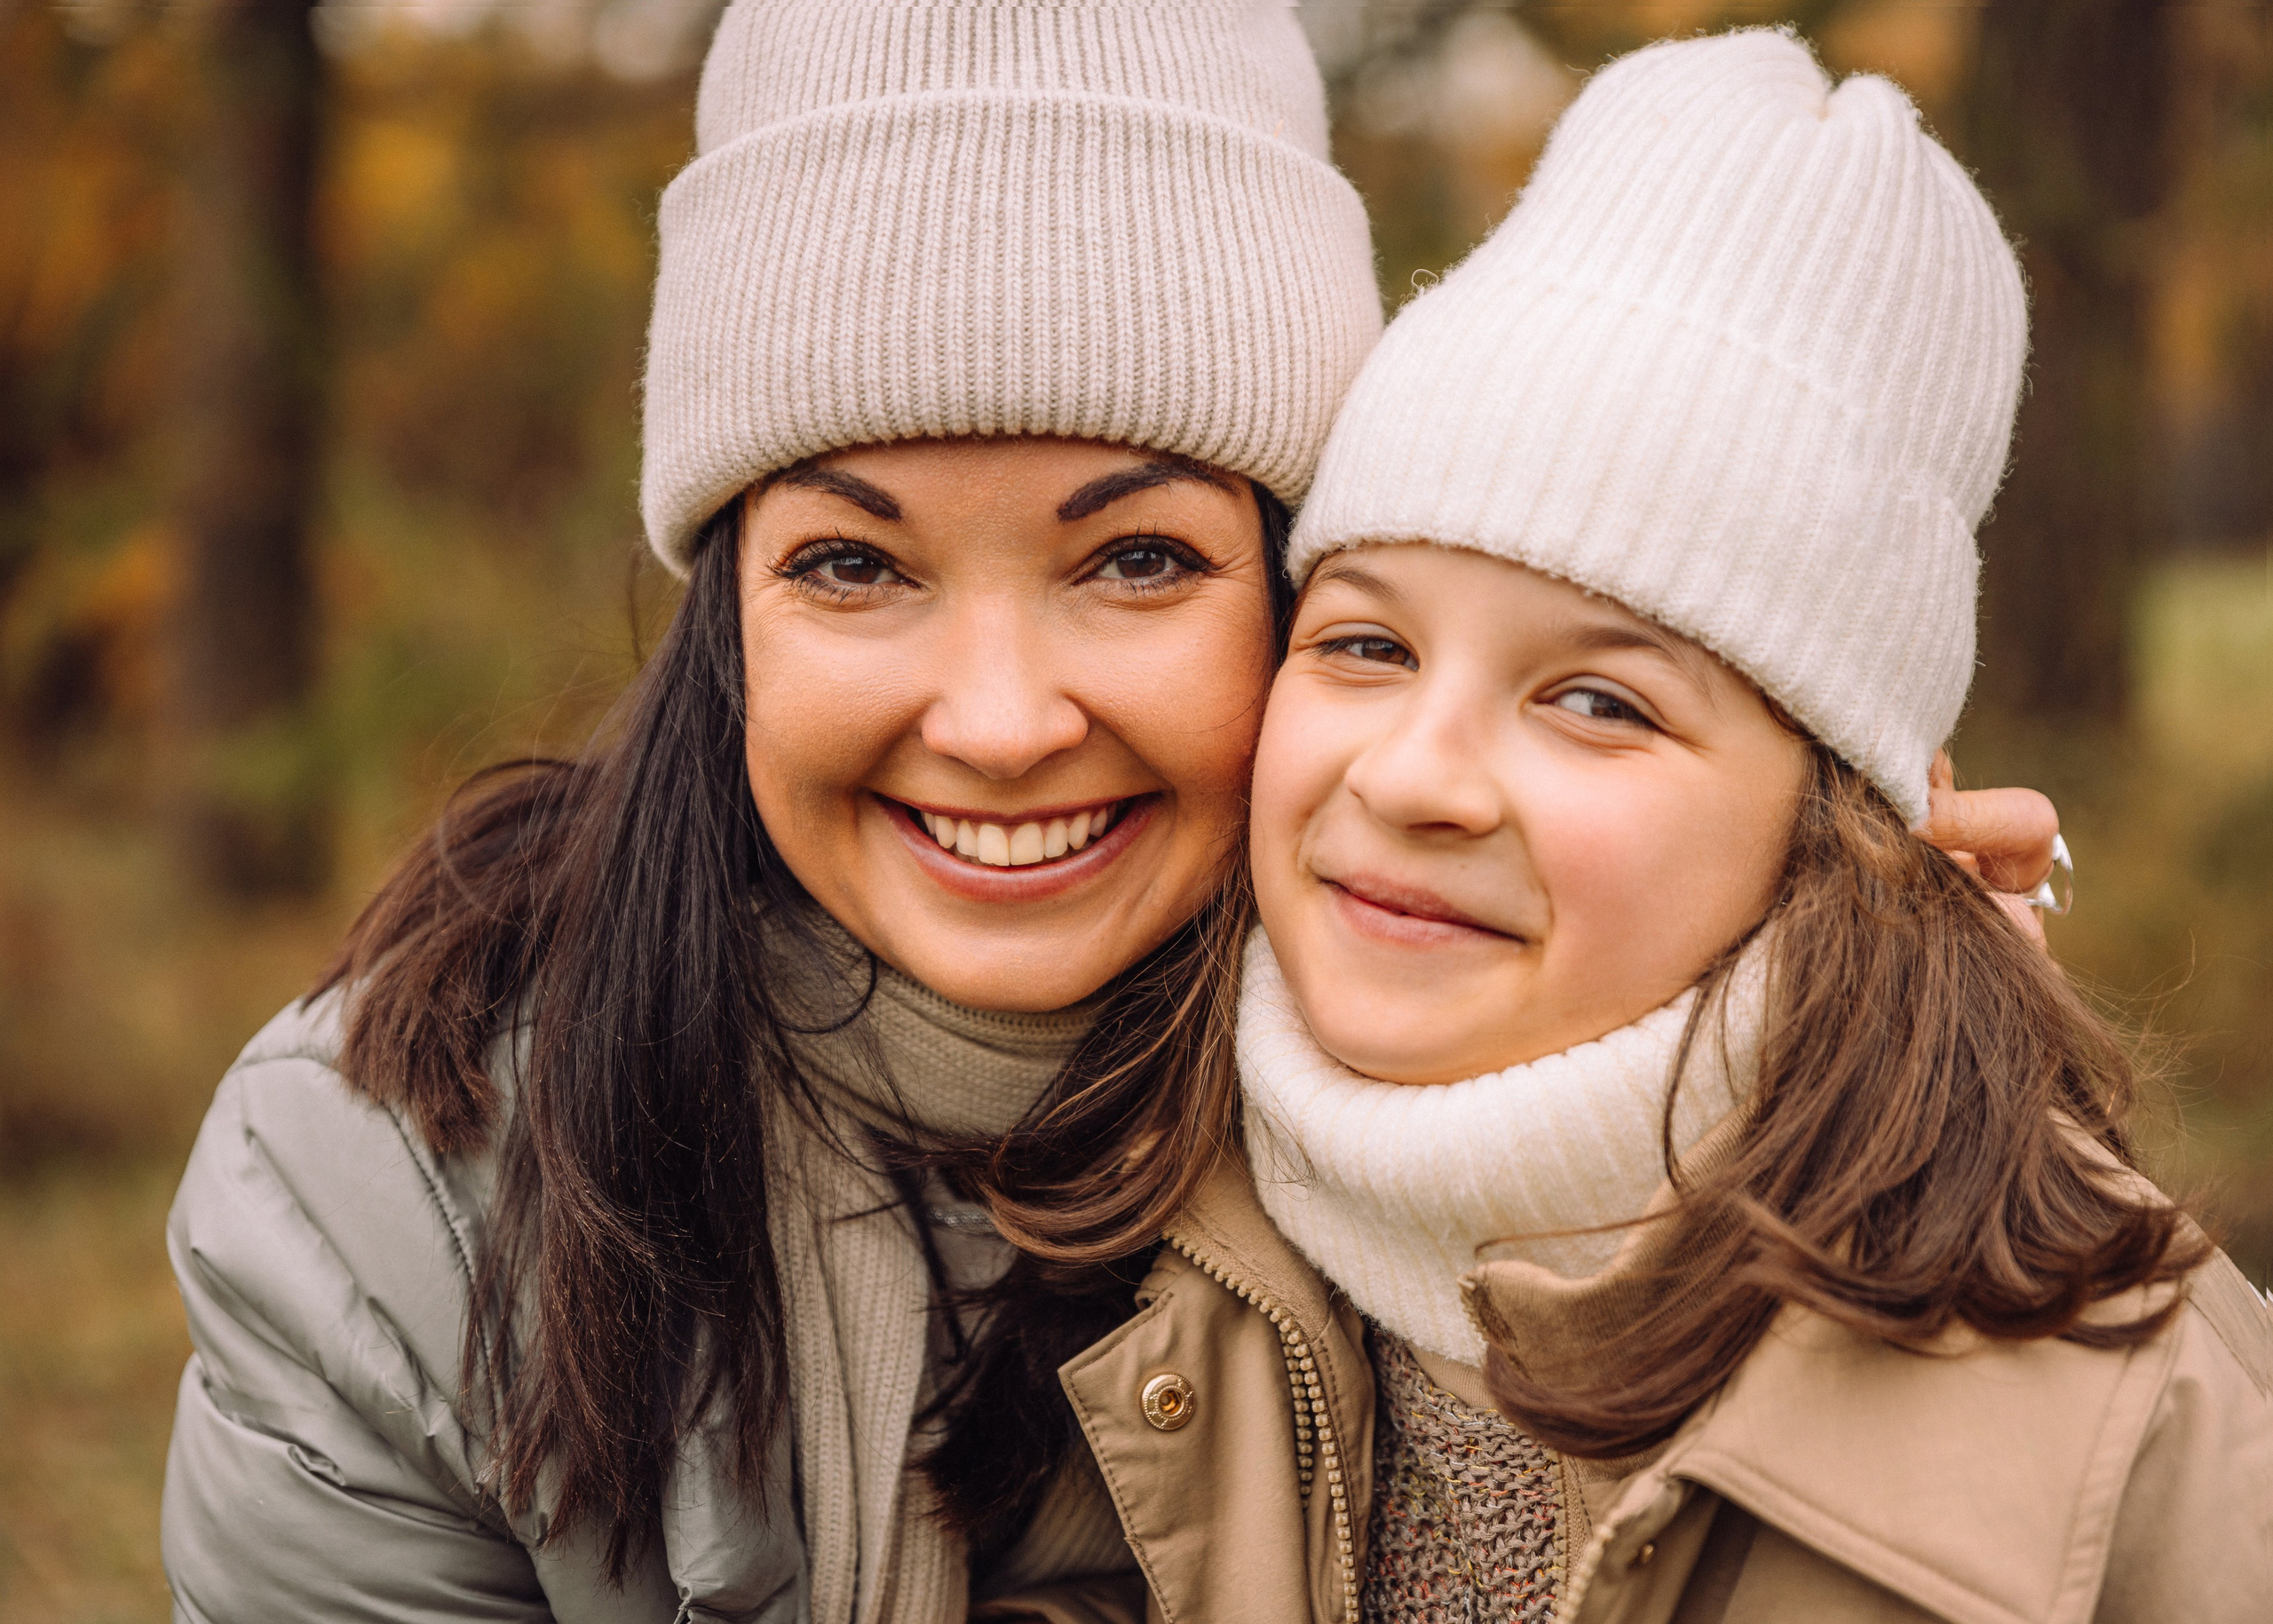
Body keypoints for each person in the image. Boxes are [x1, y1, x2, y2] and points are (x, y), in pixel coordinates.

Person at [158, 9, 2070, 1622]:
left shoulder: (1444, 1084)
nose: (996, 724)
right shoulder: (400, 1199)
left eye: (1137, 557)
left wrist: (1846, 1006)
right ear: (724, 616)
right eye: (850, 564)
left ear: (1304, 577)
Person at [1061, 29, 2271, 1624]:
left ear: (1843, 821)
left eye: (1600, 703)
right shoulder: (1106, 1201)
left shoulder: (2119, 1395)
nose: (1419, 774)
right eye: (1364, 642)